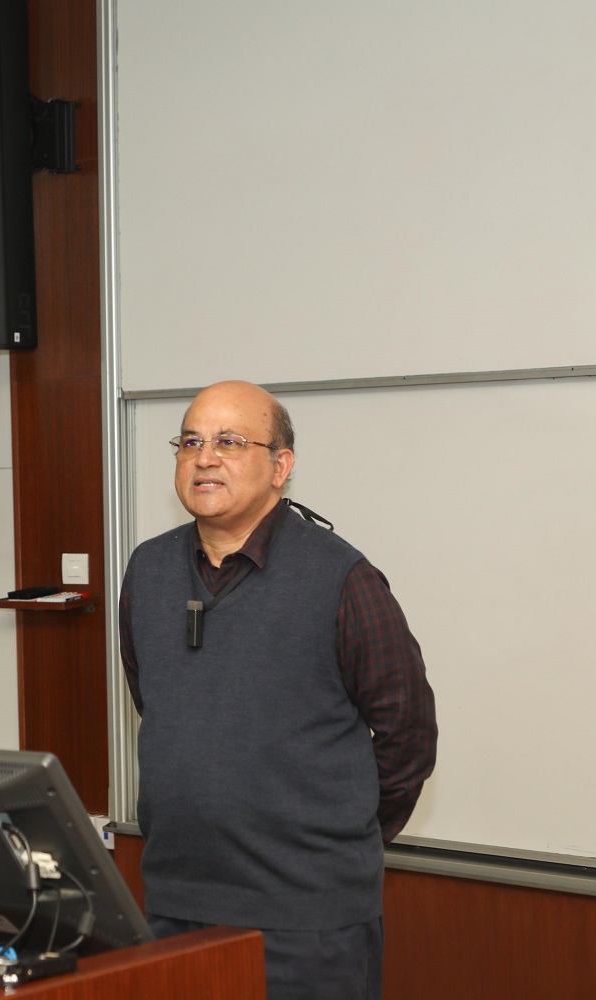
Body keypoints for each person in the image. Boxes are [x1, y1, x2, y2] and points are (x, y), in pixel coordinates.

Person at [118, 380, 437, 1000]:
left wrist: (336, 837)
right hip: (174, 902)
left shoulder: (342, 577)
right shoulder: (148, 569)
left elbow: (408, 735)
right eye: (190, 441)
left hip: (309, 920)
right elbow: (154, 701)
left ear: (280, 467)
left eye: (230, 441)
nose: (204, 457)